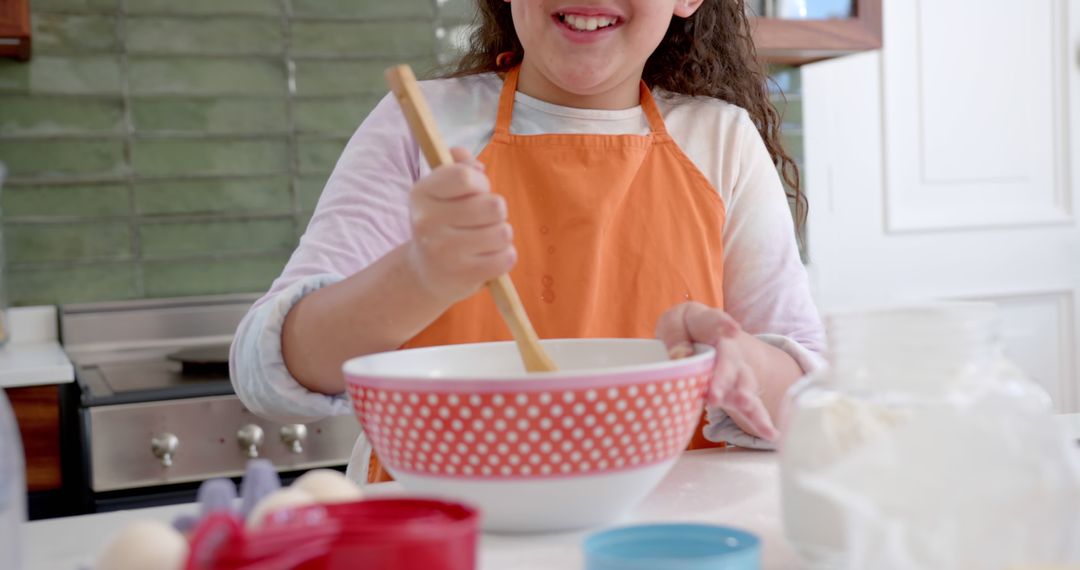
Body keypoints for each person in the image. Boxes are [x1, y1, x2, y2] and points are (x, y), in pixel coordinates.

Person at [231, 0, 824, 484]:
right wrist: (419, 276)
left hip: (655, 534)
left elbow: (814, 403)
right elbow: (266, 368)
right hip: (449, 534)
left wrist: (742, 364)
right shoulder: (422, 127)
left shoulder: (721, 140)